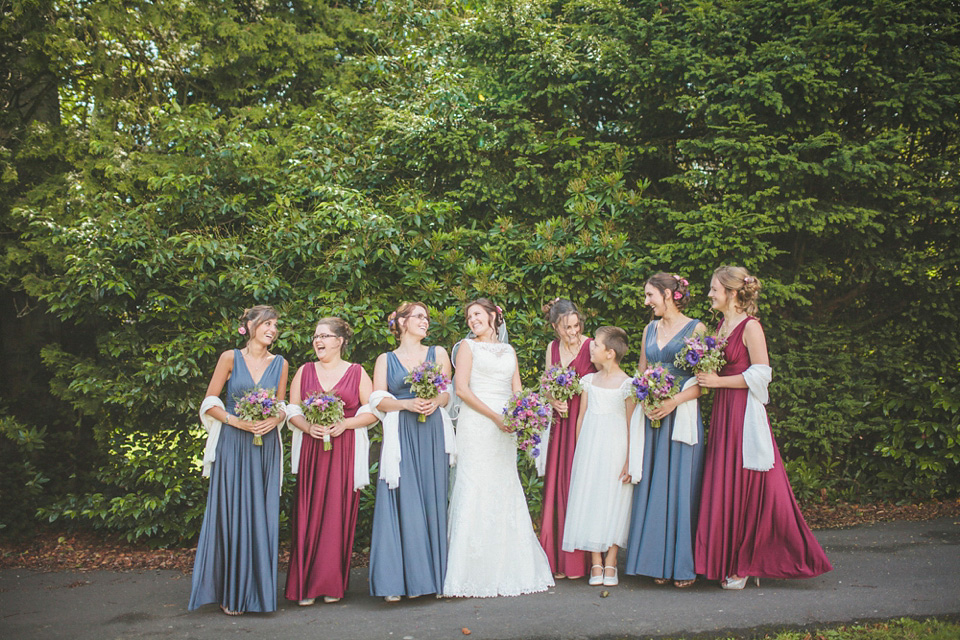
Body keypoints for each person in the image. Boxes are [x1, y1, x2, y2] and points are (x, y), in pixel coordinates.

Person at [694, 266, 832, 589]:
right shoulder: (720, 325)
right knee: (723, 480)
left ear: (730, 293)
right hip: (723, 412)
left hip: (742, 413)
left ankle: (744, 563)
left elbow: (762, 374)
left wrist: (718, 381)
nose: (710, 294)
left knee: (750, 485)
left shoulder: (750, 327)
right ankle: (722, 558)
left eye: (714, 289)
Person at [443, 299, 555, 597]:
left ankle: (510, 566)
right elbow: (462, 389)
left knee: (504, 485)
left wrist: (524, 415)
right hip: (478, 424)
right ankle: (469, 572)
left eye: (477, 314)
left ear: (494, 316)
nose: (472, 320)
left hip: (506, 426)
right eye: (468, 317)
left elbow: (516, 387)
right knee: (474, 485)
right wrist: (495, 416)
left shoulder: (509, 350)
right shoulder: (467, 347)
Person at [189, 305, 289, 615]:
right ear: (248, 325)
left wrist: (276, 419)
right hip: (234, 444)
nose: (272, 329)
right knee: (232, 513)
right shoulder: (229, 358)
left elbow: (282, 404)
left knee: (262, 513)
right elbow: (210, 401)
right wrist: (238, 422)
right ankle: (231, 592)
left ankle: (257, 593)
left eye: (275, 325)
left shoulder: (281, 363)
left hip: (265, 446)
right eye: (267, 323)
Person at [284, 317, 376, 606]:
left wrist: (346, 424)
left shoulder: (357, 372)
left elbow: (374, 411)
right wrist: (307, 427)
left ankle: (332, 583)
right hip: (313, 449)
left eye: (324, 336)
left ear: (340, 341)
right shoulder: (304, 371)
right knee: (308, 511)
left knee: (337, 513)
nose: (318, 341)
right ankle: (305, 586)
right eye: (315, 336)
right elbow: (291, 410)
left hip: (344, 450)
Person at [624, 273, 706, 588]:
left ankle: (681, 565)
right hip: (652, 414)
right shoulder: (649, 328)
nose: (647, 302)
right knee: (653, 485)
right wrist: (643, 398)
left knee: (679, 487)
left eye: (650, 295)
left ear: (669, 294)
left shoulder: (696, 328)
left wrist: (673, 401)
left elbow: (703, 381)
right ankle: (654, 562)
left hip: (680, 414)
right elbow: (642, 372)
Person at [368, 302, 454, 602]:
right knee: (403, 499)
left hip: (431, 431)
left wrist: (436, 401)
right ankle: (397, 582)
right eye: (419, 317)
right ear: (402, 322)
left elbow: (447, 391)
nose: (425, 322)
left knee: (432, 498)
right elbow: (377, 400)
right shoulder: (385, 359)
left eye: (427, 318)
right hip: (401, 432)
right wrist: (405, 404)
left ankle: (436, 579)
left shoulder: (438, 353)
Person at [562, 326, 635, 587]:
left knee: (615, 499)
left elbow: (630, 424)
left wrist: (629, 458)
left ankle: (612, 560)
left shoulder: (628, 384)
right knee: (591, 498)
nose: (590, 348)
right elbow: (581, 417)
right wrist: (581, 450)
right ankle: (595, 560)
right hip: (591, 449)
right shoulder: (588, 382)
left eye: (595, 344)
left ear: (609, 353)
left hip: (616, 448)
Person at [538, 298, 595, 580]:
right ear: (554, 327)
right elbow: (548, 383)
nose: (572, 332)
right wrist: (553, 400)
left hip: (585, 420)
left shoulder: (591, 345)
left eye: (575, 325)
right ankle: (559, 560)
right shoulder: (552, 348)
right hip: (561, 421)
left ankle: (582, 562)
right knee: (559, 482)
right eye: (565, 328)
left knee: (580, 482)